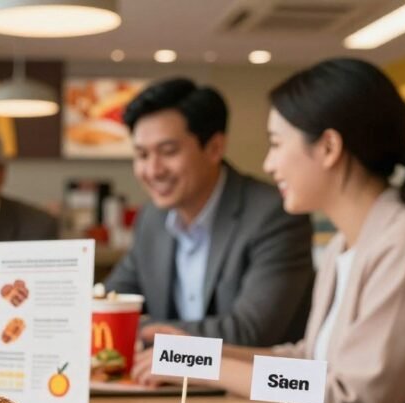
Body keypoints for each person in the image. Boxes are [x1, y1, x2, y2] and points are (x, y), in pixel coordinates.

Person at [138, 59, 405, 403]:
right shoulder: (345, 246)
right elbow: (310, 363)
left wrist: (201, 366)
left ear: (328, 147)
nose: (269, 164)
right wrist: (199, 352)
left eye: (276, 143)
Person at [103, 78, 315, 347]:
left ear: (214, 148)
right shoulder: (152, 219)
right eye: (142, 155)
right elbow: (110, 301)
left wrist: (143, 331)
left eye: (168, 152)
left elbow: (250, 332)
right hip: (170, 384)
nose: (153, 170)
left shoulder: (273, 214)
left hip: (253, 386)